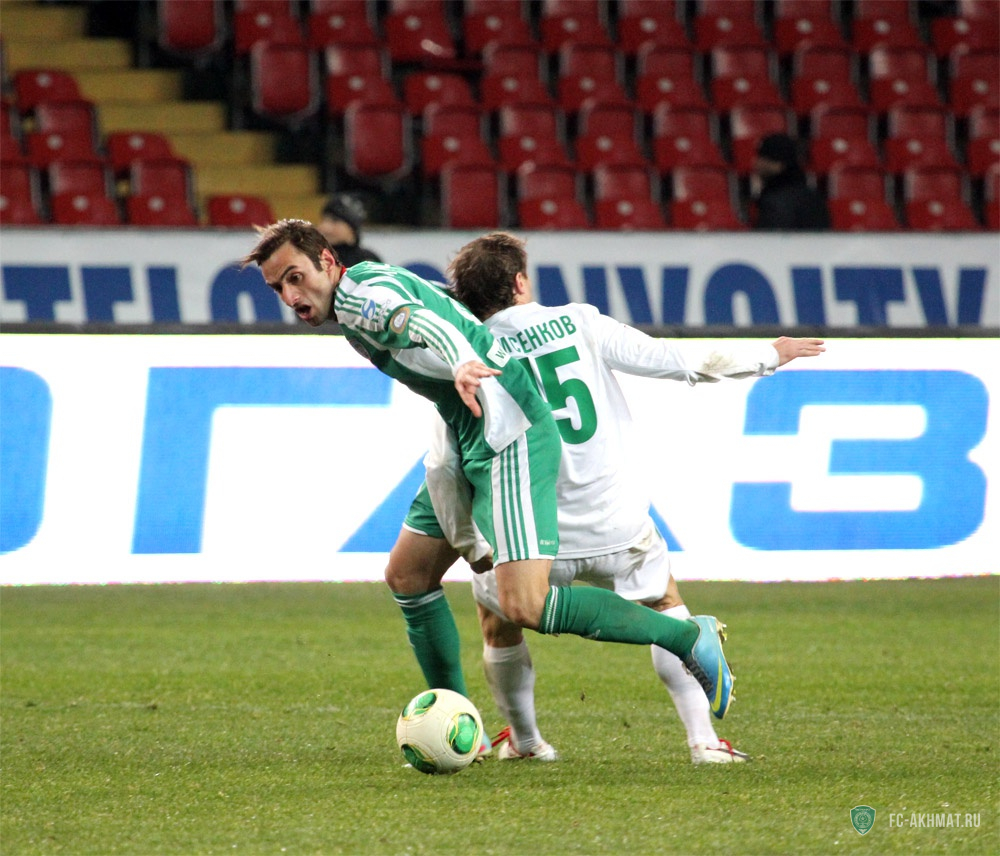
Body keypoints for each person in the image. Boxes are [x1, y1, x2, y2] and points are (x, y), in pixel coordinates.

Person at [240, 219, 736, 728]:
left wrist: (462, 360)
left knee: (524, 605)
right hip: (468, 434)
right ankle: (456, 718)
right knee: (409, 576)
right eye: (278, 287)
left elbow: (422, 323)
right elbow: (437, 307)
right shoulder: (368, 285)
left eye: (296, 277)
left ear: (327, 261)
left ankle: (685, 637)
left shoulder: (359, 299)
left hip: (508, 434)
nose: (290, 296)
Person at [427, 232, 825, 764]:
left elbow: (445, 465)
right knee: (665, 604)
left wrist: (468, 543)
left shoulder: (466, 359)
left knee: (497, 617)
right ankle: (704, 742)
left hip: (530, 537)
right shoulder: (579, 321)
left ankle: (526, 741)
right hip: (615, 524)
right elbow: (674, 359)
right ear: (520, 282)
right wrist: (767, 354)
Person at [752, 133, 831, 231]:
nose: (756, 163)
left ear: (779, 164)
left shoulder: (774, 204)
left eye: (762, 158)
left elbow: (770, 239)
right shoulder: (815, 197)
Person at [317, 193, 383, 267]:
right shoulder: (315, 259)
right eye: (323, 220)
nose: (324, 227)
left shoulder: (367, 261)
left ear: (351, 228)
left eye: (334, 221)